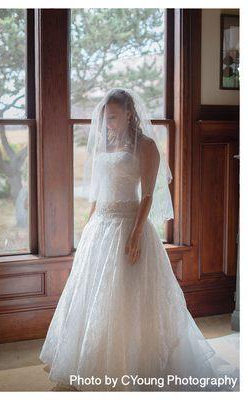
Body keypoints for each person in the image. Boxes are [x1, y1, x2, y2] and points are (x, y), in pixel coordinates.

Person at [39, 88, 239, 392]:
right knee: (94, 297)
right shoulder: (107, 143)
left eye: (114, 117)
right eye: (106, 118)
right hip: (100, 227)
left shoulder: (146, 146)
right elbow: (98, 189)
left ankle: (134, 365)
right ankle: (92, 362)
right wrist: (89, 223)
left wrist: (135, 235)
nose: (108, 123)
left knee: (129, 296)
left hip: (128, 225)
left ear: (130, 113)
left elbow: (146, 195)